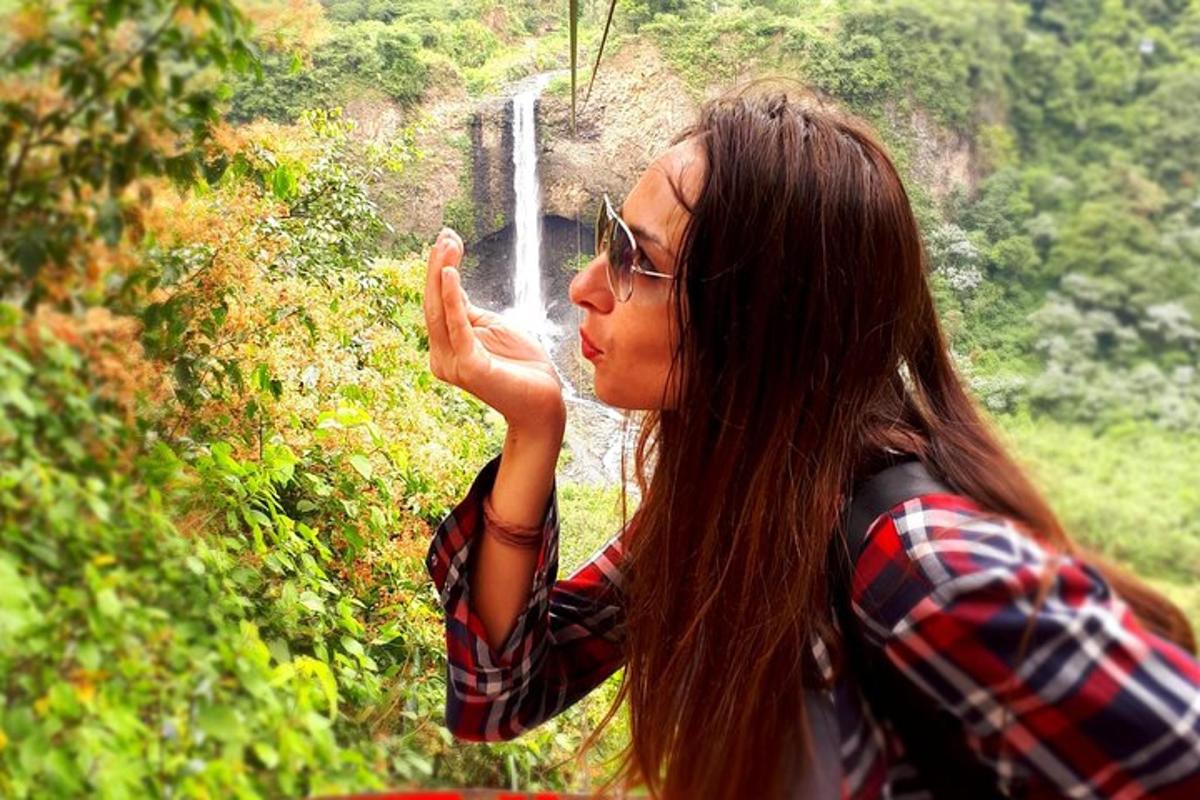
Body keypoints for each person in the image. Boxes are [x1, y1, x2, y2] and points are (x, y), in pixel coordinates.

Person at [420, 81, 1200, 799]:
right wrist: (533, 433)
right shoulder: (736, 508)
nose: (582, 287)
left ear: (755, 321)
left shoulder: (922, 564)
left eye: (635, 260)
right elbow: (499, 699)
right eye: (606, 237)